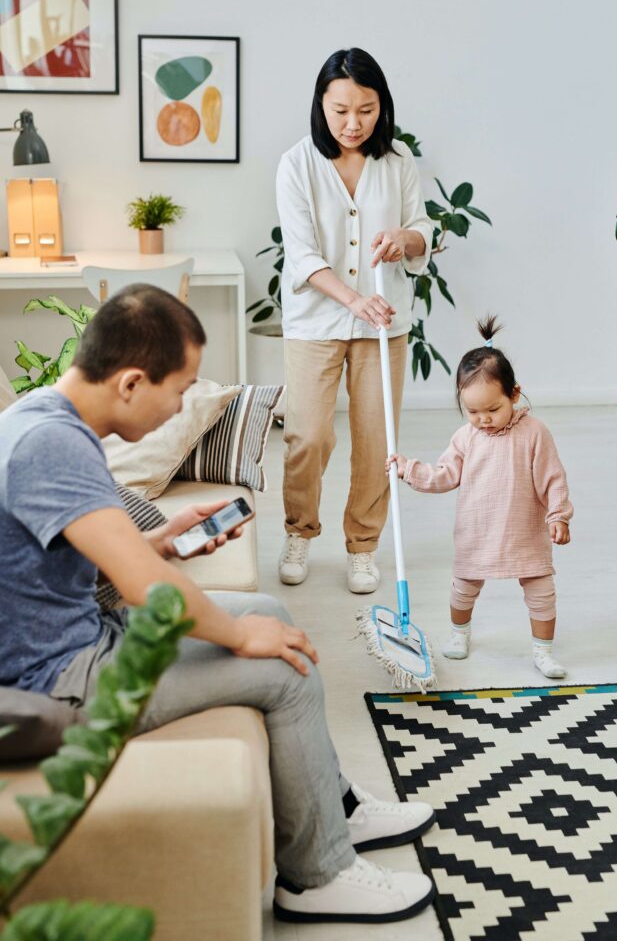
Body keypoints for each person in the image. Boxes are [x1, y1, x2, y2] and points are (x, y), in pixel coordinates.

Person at [0, 285, 435, 925]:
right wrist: (236, 635)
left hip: (81, 640)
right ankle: (318, 877)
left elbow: (75, 559)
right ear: (129, 383)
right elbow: (149, 590)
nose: (180, 407)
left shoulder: (41, 417)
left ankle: (337, 807)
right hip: (66, 682)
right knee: (278, 666)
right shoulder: (53, 445)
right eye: (180, 390)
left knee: (272, 612)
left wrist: (160, 541)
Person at [276, 47, 432, 594]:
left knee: (375, 440)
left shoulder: (399, 161)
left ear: (381, 106)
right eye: (340, 109)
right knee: (309, 435)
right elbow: (302, 256)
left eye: (365, 109)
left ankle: (363, 546)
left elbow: (421, 232)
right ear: (321, 104)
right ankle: (299, 531)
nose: (352, 123)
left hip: (383, 322)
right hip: (315, 322)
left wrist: (404, 239)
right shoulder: (296, 163)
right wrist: (352, 299)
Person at [387, 316, 573, 679]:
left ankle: (543, 650)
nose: (483, 420)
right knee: (464, 587)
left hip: (524, 533)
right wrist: (409, 469)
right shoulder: (465, 438)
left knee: (541, 591)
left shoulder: (534, 433)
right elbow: (444, 475)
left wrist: (559, 516)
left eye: (493, 410)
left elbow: (553, 478)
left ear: (514, 395)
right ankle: (459, 633)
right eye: (472, 412)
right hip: (478, 532)